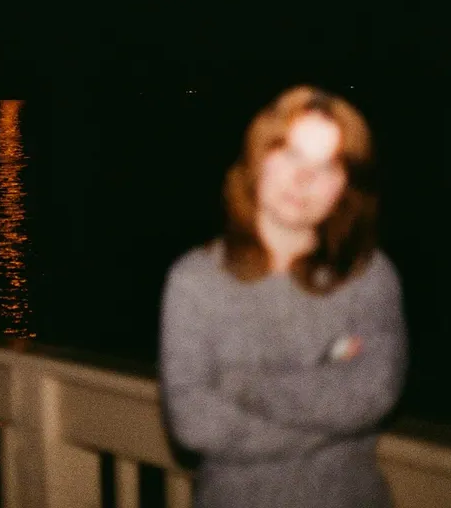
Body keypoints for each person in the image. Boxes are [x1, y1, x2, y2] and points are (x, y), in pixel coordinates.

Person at [158, 85, 409, 508]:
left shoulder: (369, 277)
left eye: (327, 166)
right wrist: (326, 411)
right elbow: (194, 423)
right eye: (291, 154)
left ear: (345, 188)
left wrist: (244, 386)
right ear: (258, 159)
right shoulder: (195, 281)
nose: (304, 179)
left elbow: (373, 395)